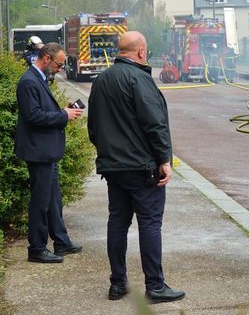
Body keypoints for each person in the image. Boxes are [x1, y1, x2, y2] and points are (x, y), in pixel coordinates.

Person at [87, 31, 185, 303]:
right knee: (150, 224)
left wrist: (108, 155)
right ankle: (155, 286)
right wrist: (164, 160)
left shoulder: (102, 80)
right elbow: (155, 124)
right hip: (142, 168)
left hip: (113, 167)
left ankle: (117, 284)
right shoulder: (140, 80)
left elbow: (93, 128)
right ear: (141, 51)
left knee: (117, 222)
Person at [15, 42, 84, 264]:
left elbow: (41, 111)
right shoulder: (28, 82)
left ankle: (61, 242)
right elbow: (33, 117)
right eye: (58, 64)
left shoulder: (38, 79)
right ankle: (36, 248)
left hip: (45, 151)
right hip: (38, 152)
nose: (59, 69)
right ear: (46, 59)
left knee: (54, 200)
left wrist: (63, 109)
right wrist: (63, 116)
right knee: (41, 202)